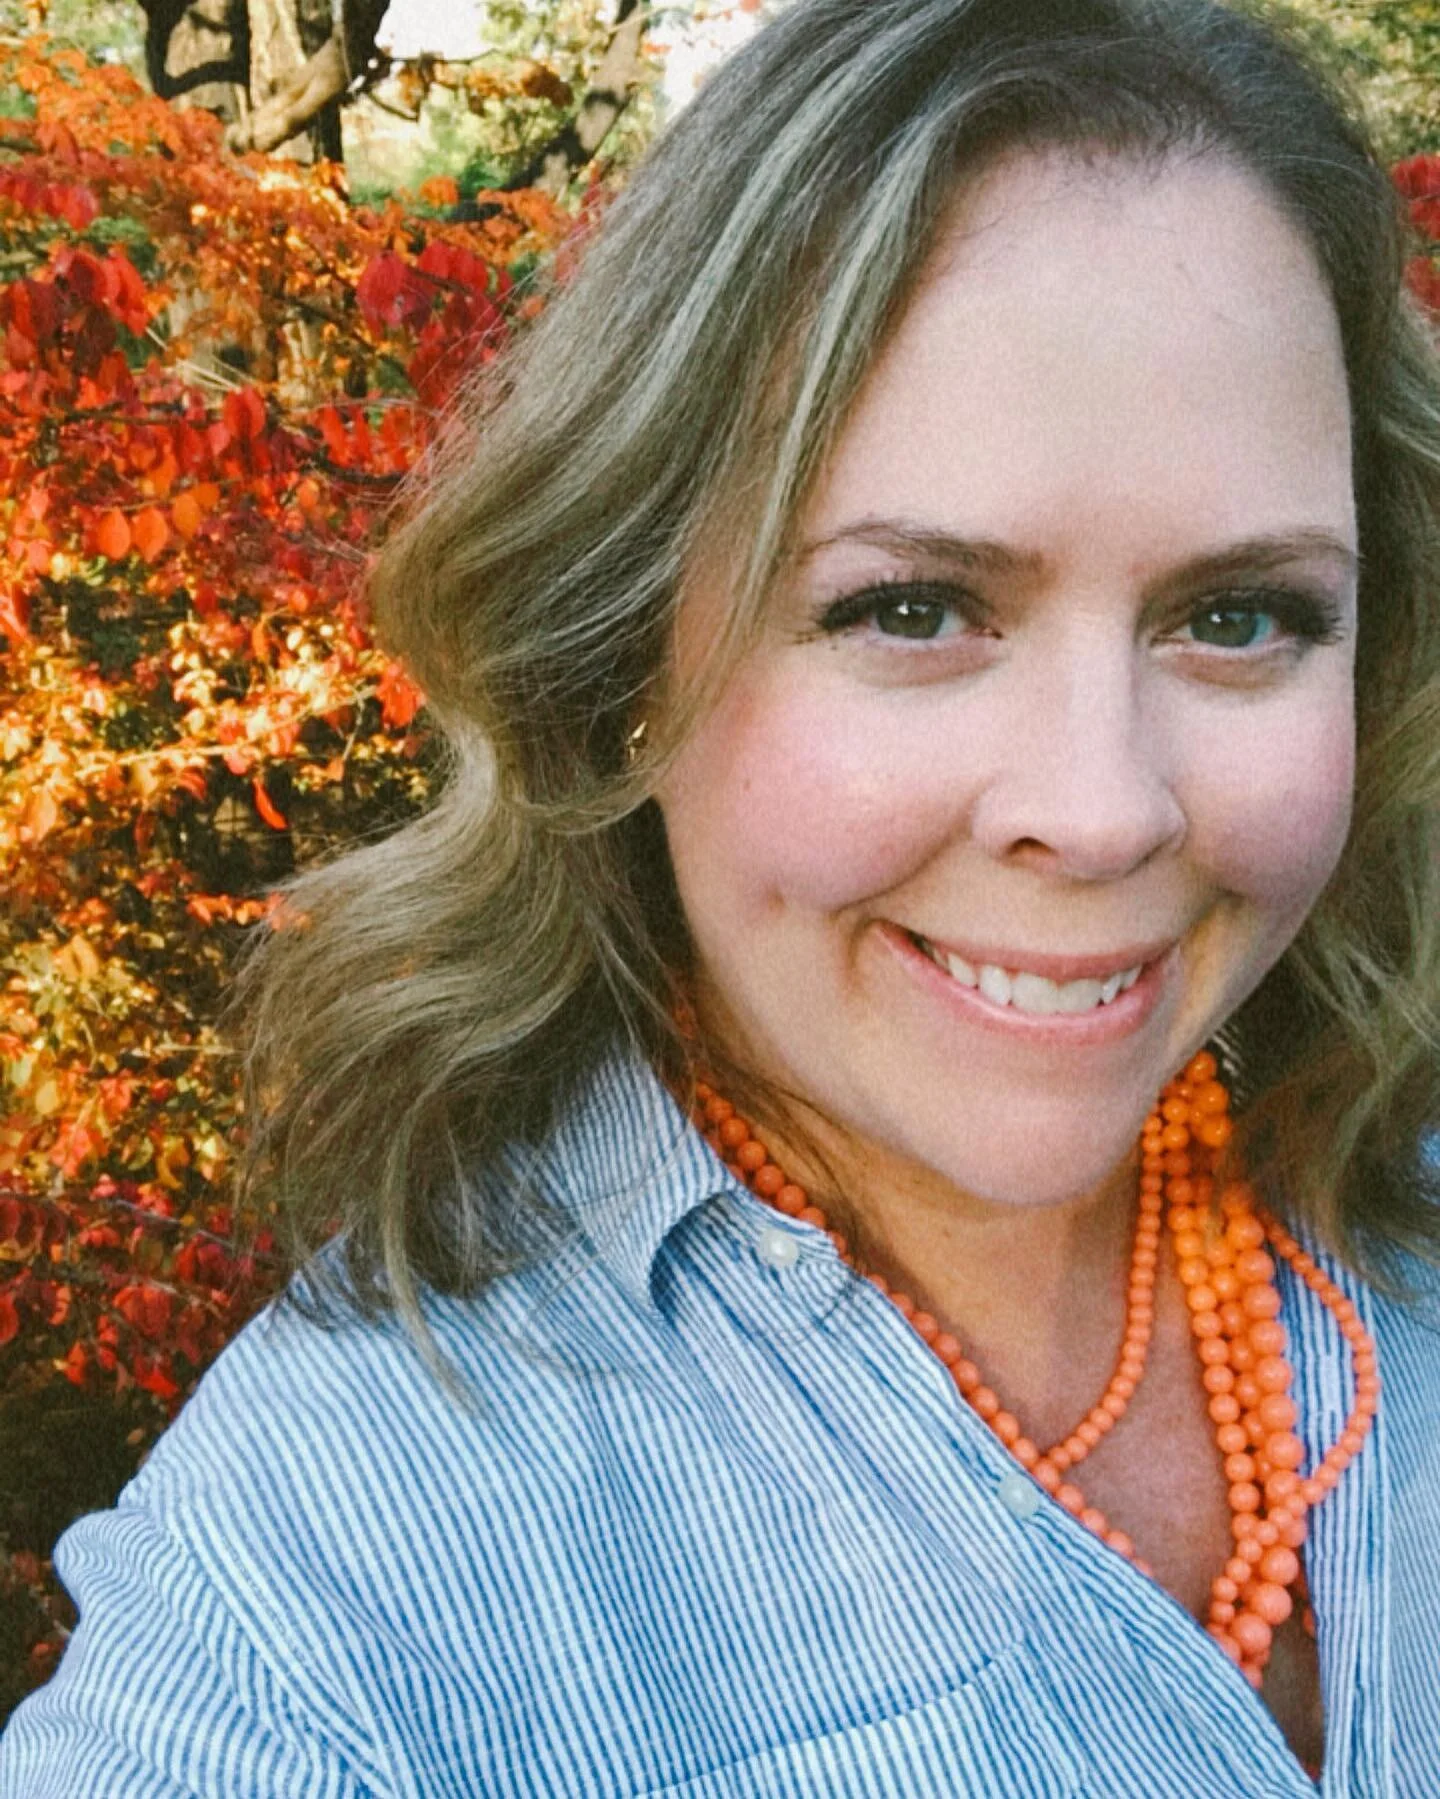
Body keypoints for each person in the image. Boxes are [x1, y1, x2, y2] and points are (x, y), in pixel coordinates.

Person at [4, 0, 1439, 1790]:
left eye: (1238, 616)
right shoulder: (324, 1603)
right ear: (622, 658)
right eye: (909, 608)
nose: (1102, 809)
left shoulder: (1392, 1212)